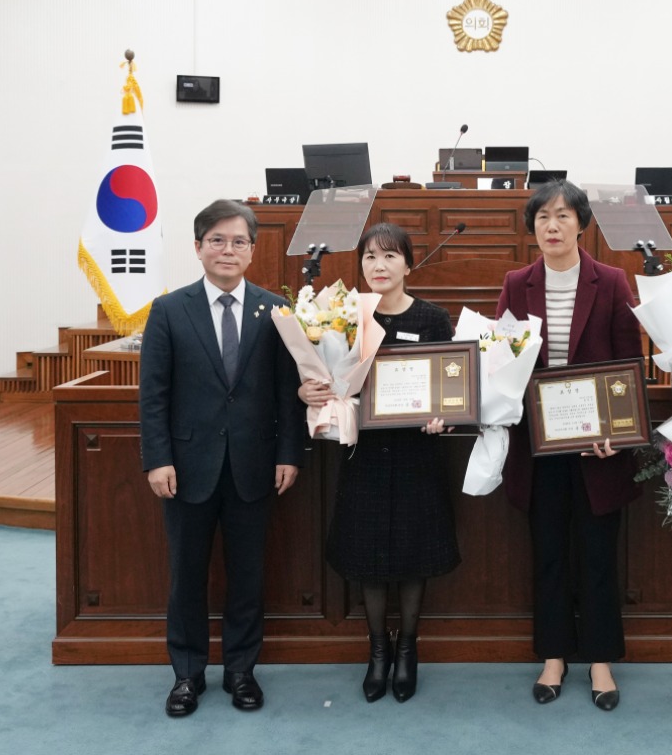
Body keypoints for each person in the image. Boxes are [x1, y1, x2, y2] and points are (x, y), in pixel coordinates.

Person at [139, 199, 304, 717]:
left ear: (252, 251)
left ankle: (240, 671)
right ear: (197, 248)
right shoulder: (169, 309)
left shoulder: (275, 309)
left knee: (247, 575)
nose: (227, 250)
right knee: (186, 574)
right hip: (186, 468)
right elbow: (154, 395)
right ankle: (187, 675)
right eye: (217, 240)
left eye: (238, 241)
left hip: (255, 466)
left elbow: (287, 391)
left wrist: (289, 454)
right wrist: (157, 459)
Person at [495, 180, 643, 712]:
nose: (552, 227)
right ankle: (554, 655)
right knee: (550, 552)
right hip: (539, 445)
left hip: (598, 445)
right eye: (542, 219)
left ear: (582, 223)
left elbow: (630, 365)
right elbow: (504, 363)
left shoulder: (612, 281)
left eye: (562, 217)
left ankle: (601, 659)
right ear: (532, 228)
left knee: (599, 554)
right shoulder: (516, 283)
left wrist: (617, 433)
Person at [299, 222, 460, 703]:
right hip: (364, 453)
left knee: (414, 557)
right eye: (370, 257)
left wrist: (443, 418)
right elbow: (325, 377)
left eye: (390, 256)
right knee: (367, 558)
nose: (379, 266)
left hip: (417, 456)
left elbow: (451, 388)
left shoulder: (432, 318)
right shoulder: (345, 318)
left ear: (408, 264)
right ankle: (377, 651)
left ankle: (407, 649)